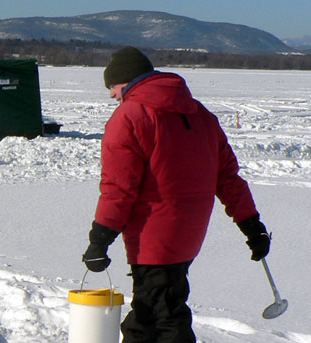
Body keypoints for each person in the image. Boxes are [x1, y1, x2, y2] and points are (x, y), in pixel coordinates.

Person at [82, 46, 272, 343]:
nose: (112, 95)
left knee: (164, 318)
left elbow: (119, 187)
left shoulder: (130, 117)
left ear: (128, 81)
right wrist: (252, 225)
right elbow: (228, 179)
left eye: (113, 87)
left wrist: (100, 239)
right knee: (149, 312)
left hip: (153, 238)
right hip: (188, 235)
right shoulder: (201, 115)